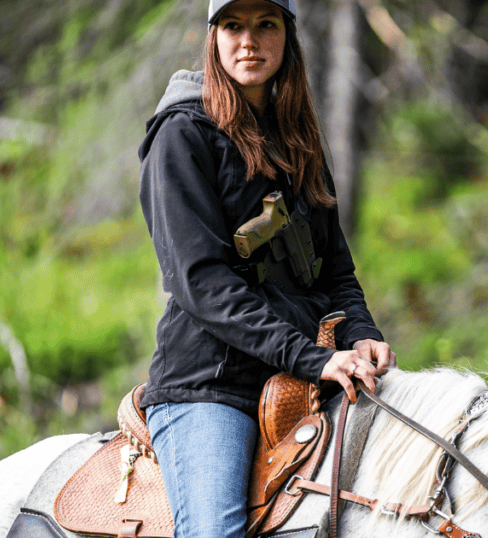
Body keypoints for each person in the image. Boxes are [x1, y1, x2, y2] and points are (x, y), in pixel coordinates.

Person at [136, 0, 395, 536]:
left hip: (303, 374)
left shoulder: (297, 138)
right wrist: (311, 358)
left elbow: (335, 271)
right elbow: (201, 284)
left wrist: (363, 332)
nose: (248, 40)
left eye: (265, 24)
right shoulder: (182, 135)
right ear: (213, 37)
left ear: (287, 36)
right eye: (232, 25)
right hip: (212, 385)